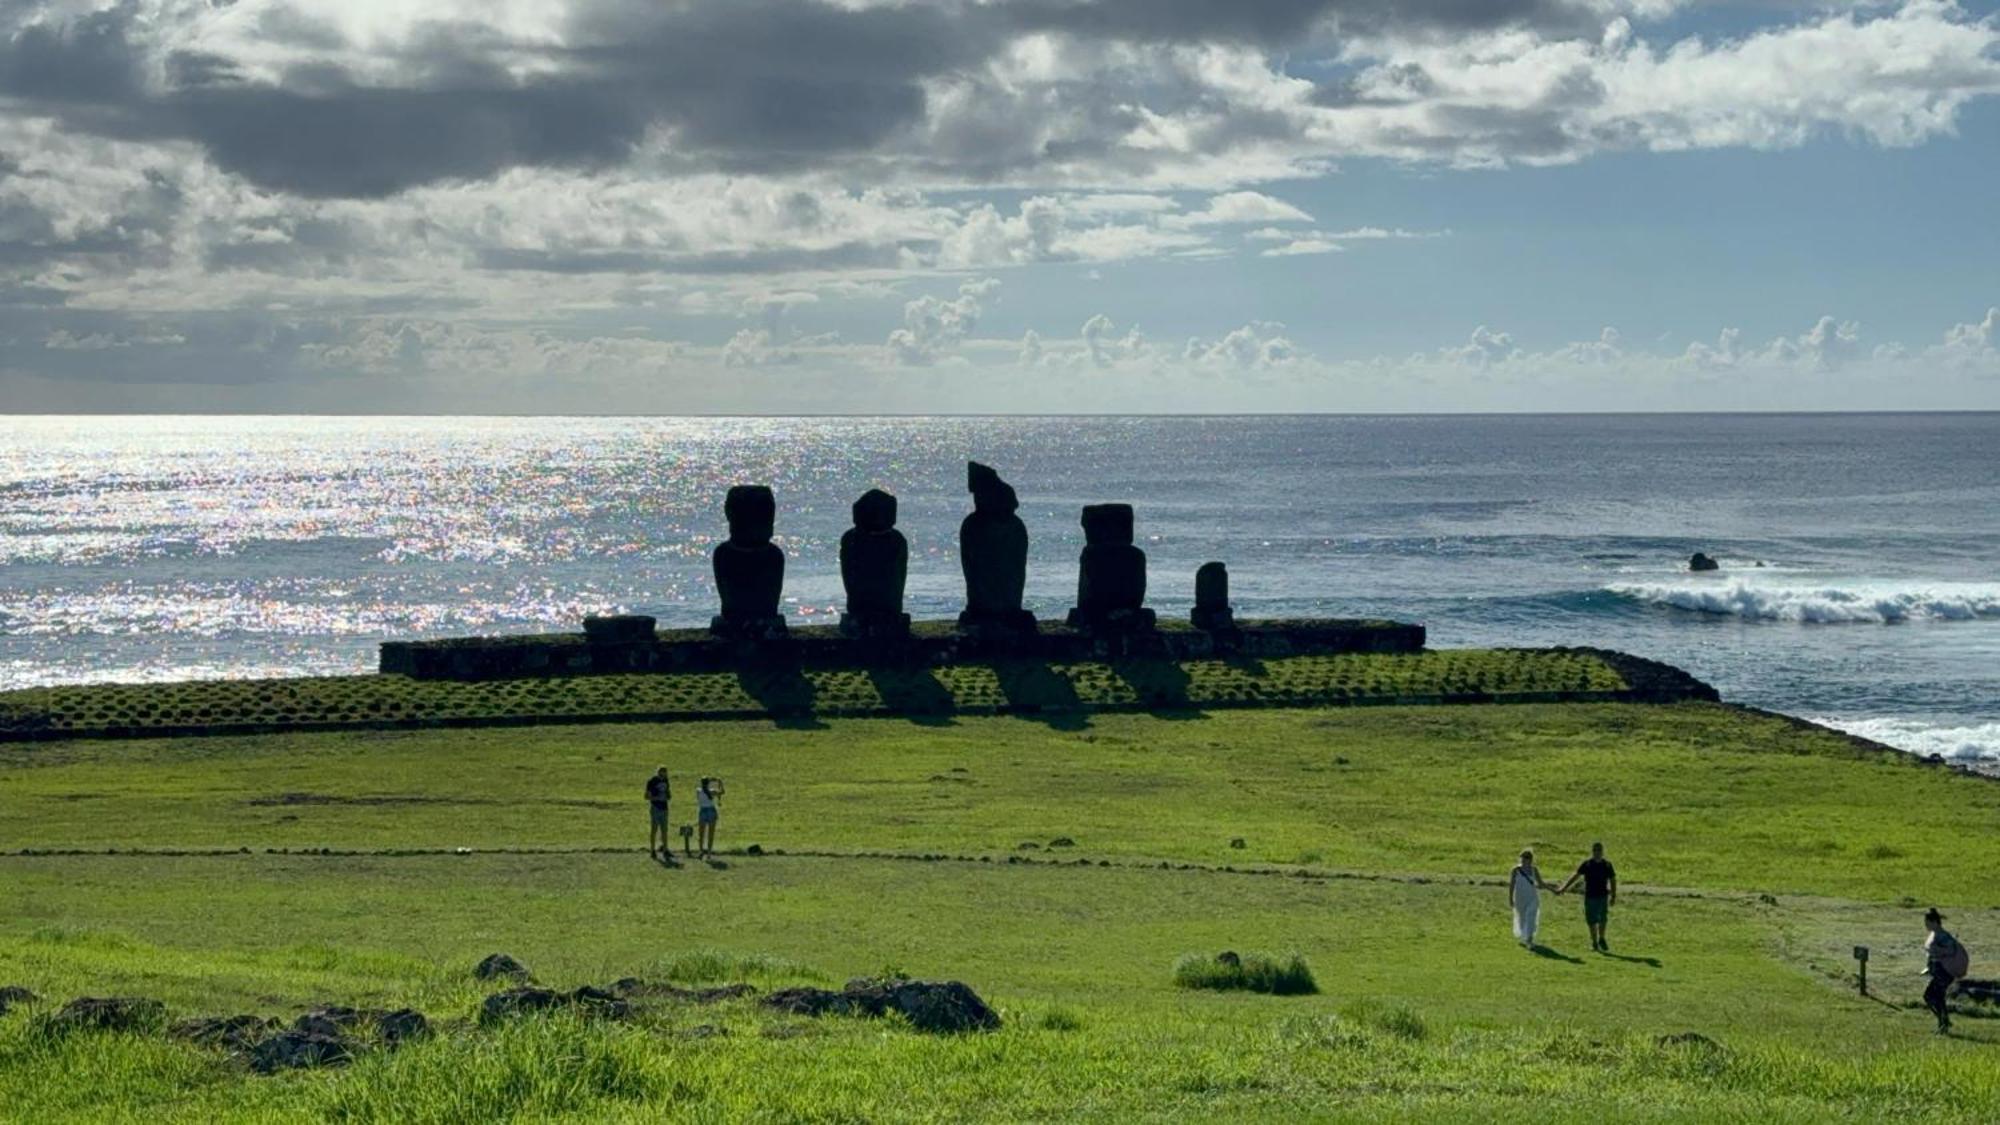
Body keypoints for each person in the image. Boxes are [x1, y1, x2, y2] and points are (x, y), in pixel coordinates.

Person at [1557, 842, 1617, 952]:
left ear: (1602, 852)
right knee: (1591, 920)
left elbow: (1613, 880)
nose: (1597, 852)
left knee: (1603, 919)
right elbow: (1575, 876)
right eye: (1595, 850)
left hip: (1602, 896)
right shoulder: (1587, 864)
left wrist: (1613, 896)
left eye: (1599, 850)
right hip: (1590, 896)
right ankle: (1594, 942)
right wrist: (1564, 888)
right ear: (1592, 851)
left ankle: (1602, 938)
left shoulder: (1607, 865)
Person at [1921, 907, 1970, 1034]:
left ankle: (1943, 1022)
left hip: (1945, 972)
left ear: (1935, 922)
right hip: (1940, 972)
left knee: (1930, 996)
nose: (1925, 925)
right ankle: (1943, 1023)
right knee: (1937, 997)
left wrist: (1937, 951)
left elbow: (1950, 950)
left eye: (1927, 922)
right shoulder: (1936, 934)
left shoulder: (1942, 936)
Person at [1509, 849, 1558, 948]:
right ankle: (1524, 937)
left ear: (1531, 859)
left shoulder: (1534, 870)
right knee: (1522, 919)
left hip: (1532, 898)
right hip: (1520, 898)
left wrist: (1553, 890)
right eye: (1523, 857)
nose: (1525, 860)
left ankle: (1529, 940)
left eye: (1527, 858)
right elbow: (1512, 885)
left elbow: (1541, 883)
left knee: (1531, 917)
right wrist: (1510, 898)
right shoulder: (1515, 870)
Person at [645, 767, 672, 859]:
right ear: (659, 772)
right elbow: (646, 796)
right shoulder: (652, 781)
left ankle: (665, 849)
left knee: (664, 830)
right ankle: (652, 850)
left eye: (665, 773)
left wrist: (667, 796)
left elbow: (669, 794)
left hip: (664, 808)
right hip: (655, 807)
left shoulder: (666, 781)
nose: (664, 775)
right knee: (654, 829)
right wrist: (657, 798)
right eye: (662, 773)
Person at [695, 776, 723, 858]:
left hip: (702, 811)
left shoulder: (698, 791)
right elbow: (722, 792)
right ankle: (709, 853)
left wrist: (709, 780)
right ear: (708, 783)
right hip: (711, 810)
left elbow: (702, 787)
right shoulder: (712, 791)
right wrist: (720, 783)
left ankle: (701, 851)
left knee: (701, 833)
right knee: (711, 833)